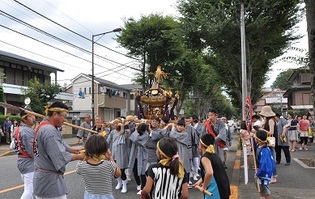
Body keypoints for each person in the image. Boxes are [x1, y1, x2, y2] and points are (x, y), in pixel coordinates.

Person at [33, 102, 84, 199]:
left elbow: (59, 142)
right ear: (55, 114)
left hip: (43, 176)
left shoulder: (44, 125)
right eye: (64, 117)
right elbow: (60, 155)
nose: (65, 120)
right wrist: (82, 157)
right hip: (49, 182)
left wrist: (72, 150)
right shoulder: (49, 130)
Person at [76, 135, 121, 199]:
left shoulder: (80, 165)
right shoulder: (108, 165)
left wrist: (86, 156)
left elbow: (78, 170)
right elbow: (118, 174)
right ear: (104, 150)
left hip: (89, 196)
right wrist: (110, 157)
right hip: (106, 196)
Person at [194, 133, 230, 199]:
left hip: (215, 188)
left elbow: (209, 173)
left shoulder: (205, 158)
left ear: (201, 145)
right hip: (223, 186)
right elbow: (211, 172)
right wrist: (199, 182)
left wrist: (204, 187)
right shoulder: (213, 155)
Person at [13, 109, 36, 199]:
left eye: (34, 116)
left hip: (21, 160)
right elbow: (32, 151)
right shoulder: (27, 131)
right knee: (30, 190)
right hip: (28, 162)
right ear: (24, 119)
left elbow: (13, 146)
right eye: (31, 116)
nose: (34, 118)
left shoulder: (18, 129)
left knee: (32, 189)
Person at [107, 122, 129, 193]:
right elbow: (108, 140)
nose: (116, 125)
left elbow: (124, 137)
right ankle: (119, 182)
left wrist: (122, 127)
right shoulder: (112, 132)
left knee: (121, 171)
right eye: (115, 123)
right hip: (113, 153)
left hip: (121, 154)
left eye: (117, 123)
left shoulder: (126, 132)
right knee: (114, 170)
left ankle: (124, 185)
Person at [255, 130, 275, 199]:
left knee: (265, 190)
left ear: (257, 139)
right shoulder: (261, 146)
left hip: (264, 172)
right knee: (260, 187)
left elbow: (264, 163)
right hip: (262, 170)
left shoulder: (264, 151)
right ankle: (262, 197)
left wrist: (259, 173)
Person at [259, 105, 277, 184]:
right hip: (267, 141)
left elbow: (271, 132)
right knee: (270, 158)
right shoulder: (267, 120)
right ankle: (272, 175)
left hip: (269, 140)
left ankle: (274, 176)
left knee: (271, 159)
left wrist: (262, 130)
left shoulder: (270, 120)